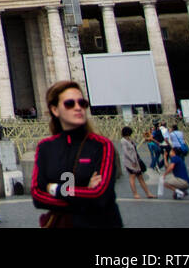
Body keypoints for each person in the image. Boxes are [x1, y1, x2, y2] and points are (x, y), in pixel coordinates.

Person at [31, 80, 123, 228]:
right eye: (70, 104)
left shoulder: (101, 145)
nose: (78, 108)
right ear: (55, 110)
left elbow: (100, 195)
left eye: (82, 103)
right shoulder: (45, 148)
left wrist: (55, 188)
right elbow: (37, 196)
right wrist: (85, 191)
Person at [117, 127, 154, 199]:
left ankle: (148, 193)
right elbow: (126, 152)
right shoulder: (123, 141)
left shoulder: (129, 140)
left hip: (136, 161)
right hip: (130, 162)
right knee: (132, 177)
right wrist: (132, 160)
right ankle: (135, 194)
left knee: (141, 177)